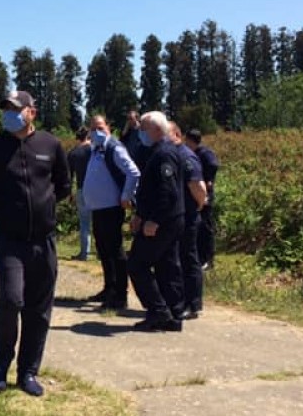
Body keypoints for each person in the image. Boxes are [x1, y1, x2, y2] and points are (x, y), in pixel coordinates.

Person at [0, 90, 70, 397]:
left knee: (39, 309)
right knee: (10, 301)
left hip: (43, 242)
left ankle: (28, 371)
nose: (10, 114)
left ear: (31, 112)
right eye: (6, 110)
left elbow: (63, 186)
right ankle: (1, 363)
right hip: (8, 242)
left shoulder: (50, 145)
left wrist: (44, 207)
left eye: (16, 109)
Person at [126, 111, 185, 332]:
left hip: (163, 221)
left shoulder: (164, 154)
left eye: (143, 129)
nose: (140, 133)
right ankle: (173, 314)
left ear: (157, 130)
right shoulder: (157, 152)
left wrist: (154, 220)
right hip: (165, 219)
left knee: (137, 264)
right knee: (166, 267)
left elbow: (167, 192)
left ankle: (158, 311)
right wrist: (140, 215)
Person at [82, 114, 140, 311]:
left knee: (115, 250)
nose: (96, 131)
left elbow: (133, 172)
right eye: (92, 128)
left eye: (100, 127)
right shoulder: (95, 149)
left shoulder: (114, 147)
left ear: (109, 127)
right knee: (103, 250)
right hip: (98, 208)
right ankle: (109, 288)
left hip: (111, 207)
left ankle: (120, 295)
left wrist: (126, 195)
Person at [170, 123, 209, 319]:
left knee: (188, 258)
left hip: (188, 216)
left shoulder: (186, 156)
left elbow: (198, 187)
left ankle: (193, 303)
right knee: (177, 259)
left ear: (176, 134)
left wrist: (199, 204)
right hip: (175, 216)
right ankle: (178, 300)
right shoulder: (170, 154)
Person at [186, 129, 219, 270]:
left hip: (205, 195)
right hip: (197, 194)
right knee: (198, 227)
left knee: (205, 227)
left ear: (190, 140)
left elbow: (213, 165)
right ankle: (200, 257)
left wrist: (209, 179)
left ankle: (208, 259)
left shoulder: (205, 153)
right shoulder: (194, 153)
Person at [66, 126, 93, 260]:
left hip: (82, 189)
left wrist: (70, 193)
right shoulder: (93, 150)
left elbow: (69, 176)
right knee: (101, 223)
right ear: (88, 136)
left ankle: (84, 252)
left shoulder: (73, 153)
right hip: (97, 189)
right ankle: (102, 251)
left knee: (84, 223)